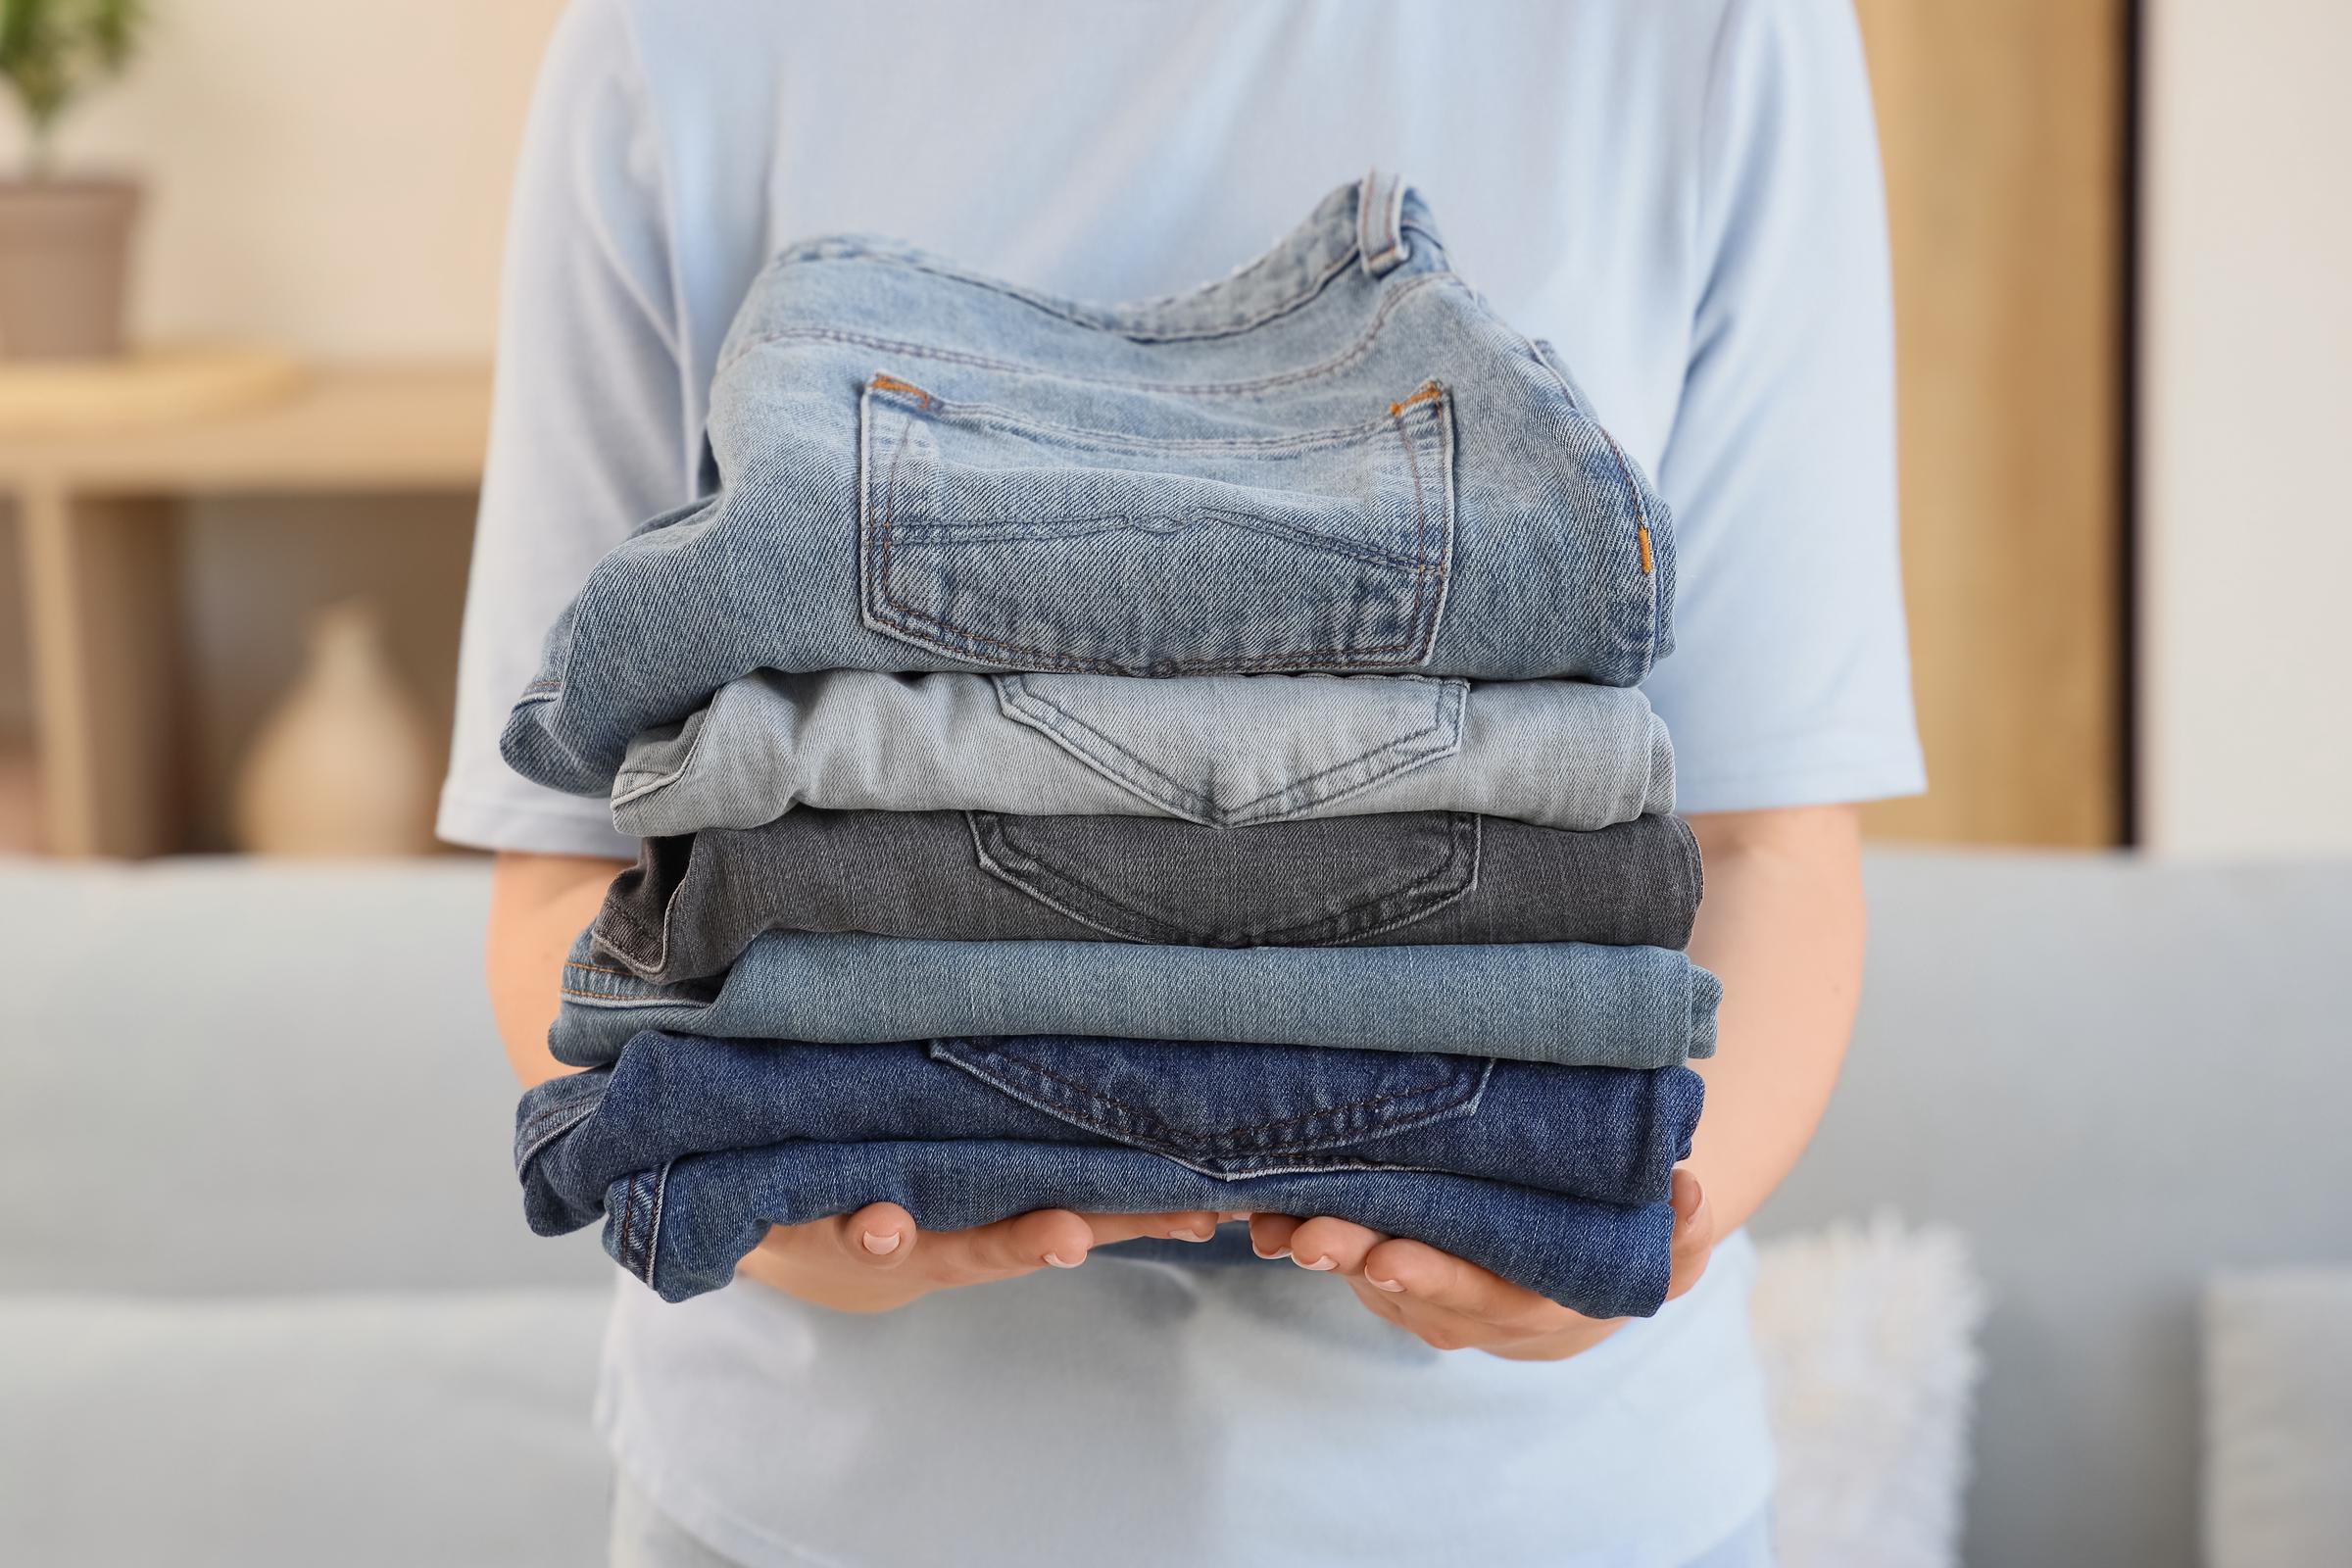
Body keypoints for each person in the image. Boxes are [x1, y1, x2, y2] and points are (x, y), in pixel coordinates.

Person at [441, 3, 1923, 1563]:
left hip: (1537, 1506)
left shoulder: (1708, 31)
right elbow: (563, 855)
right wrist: (770, 1204)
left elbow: (1762, 840)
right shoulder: (678, 35)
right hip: (824, 1503)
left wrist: (1616, 1241)